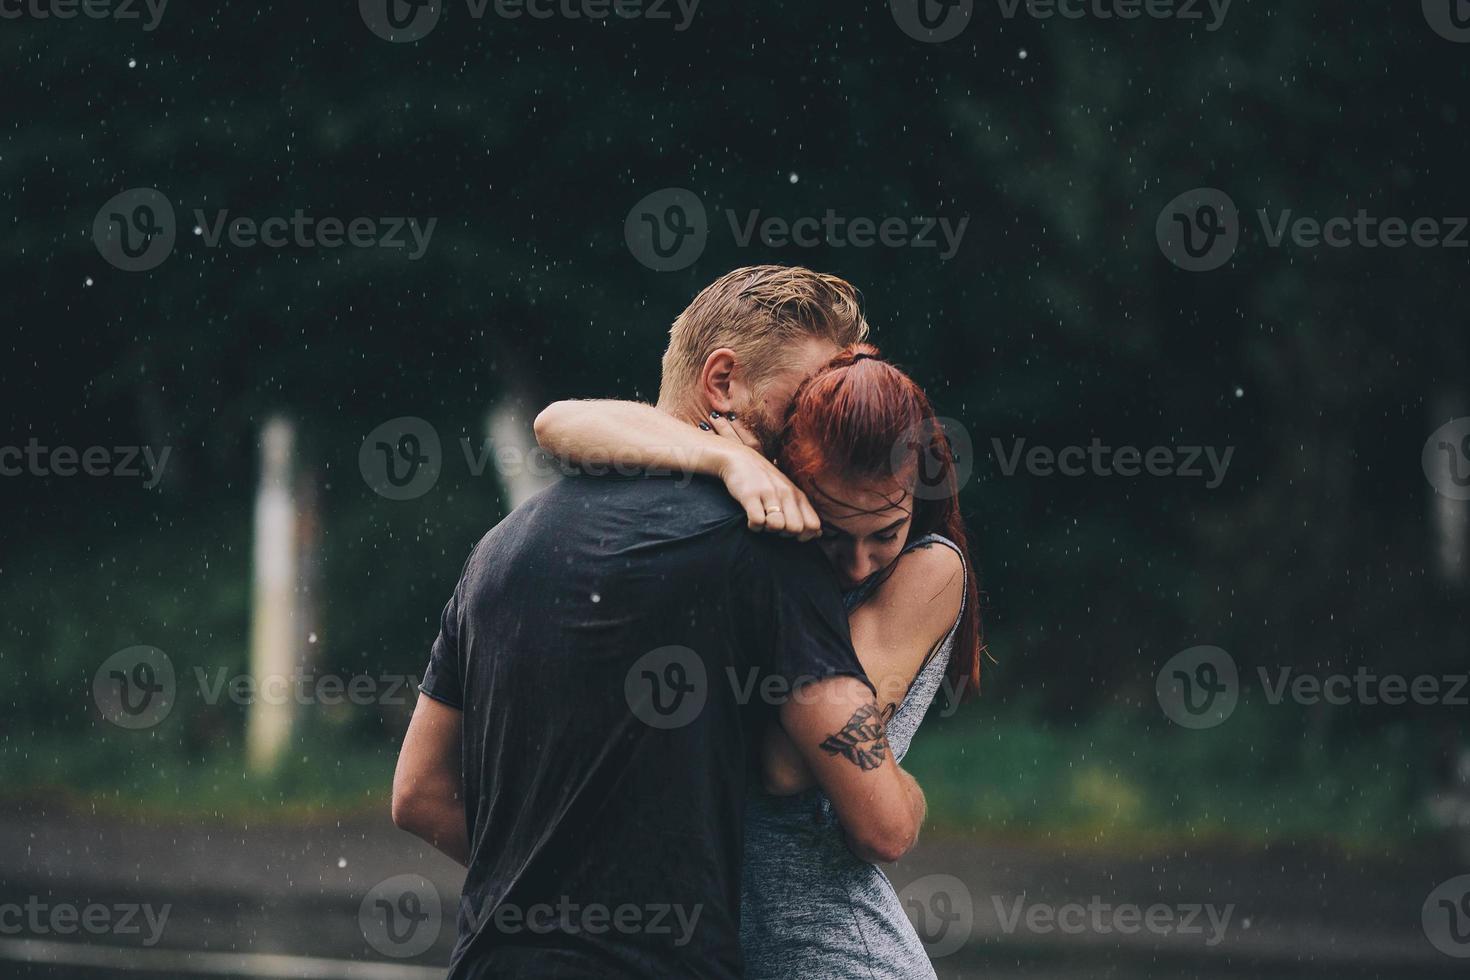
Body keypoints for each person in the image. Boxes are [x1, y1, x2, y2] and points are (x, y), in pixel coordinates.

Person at [391, 266, 930, 979]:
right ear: (723, 381)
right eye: (807, 402)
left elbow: (419, 793)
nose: (823, 426)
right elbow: (880, 823)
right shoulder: (770, 549)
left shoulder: (500, 549)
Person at [535, 342, 982, 979]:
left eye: (885, 531)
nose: (857, 564)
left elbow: (783, 766)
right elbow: (557, 424)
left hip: (837, 959)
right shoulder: (759, 515)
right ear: (794, 480)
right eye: (833, 533)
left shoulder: (929, 570)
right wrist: (726, 460)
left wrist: (904, 795)